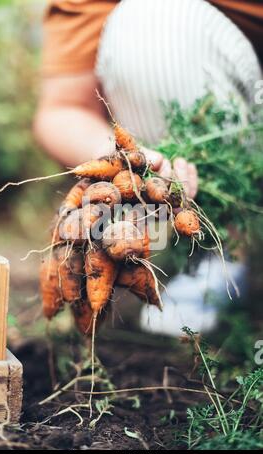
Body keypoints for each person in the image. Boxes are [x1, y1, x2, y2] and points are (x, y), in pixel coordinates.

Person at [34, 0, 262, 334]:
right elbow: (62, 108)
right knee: (154, 16)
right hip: (234, 141)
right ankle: (214, 251)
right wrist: (119, 156)